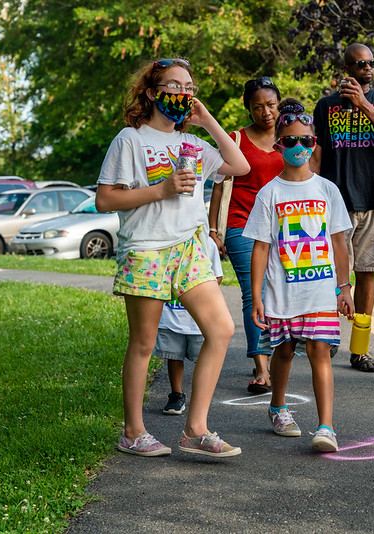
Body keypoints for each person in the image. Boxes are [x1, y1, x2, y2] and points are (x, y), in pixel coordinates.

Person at [96, 58, 250, 457]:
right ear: (151, 92)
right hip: (146, 249)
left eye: (188, 87)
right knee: (144, 343)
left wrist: (207, 121)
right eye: (173, 85)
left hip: (188, 248)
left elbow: (239, 165)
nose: (183, 93)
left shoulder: (193, 144)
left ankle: (195, 430)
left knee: (221, 329)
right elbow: (105, 199)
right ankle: (133, 432)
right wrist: (160, 190)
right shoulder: (130, 140)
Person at [245, 98, 354, 453]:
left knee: (320, 350)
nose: (298, 147)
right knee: (286, 349)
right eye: (290, 140)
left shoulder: (327, 190)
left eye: (306, 141)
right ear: (279, 145)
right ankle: (277, 406)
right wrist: (257, 296)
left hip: (320, 291)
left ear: (314, 143)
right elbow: (260, 248)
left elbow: (339, 242)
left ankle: (326, 427)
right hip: (283, 292)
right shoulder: (269, 193)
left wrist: (344, 287)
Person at [311, 43, 374, 373]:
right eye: (359, 64)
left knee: (367, 274)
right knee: (333, 276)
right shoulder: (325, 106)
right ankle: (328, 337)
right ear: (347, 69)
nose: (367, 68)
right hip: (333, 203)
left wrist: (364, 104)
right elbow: (317, 154)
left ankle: (360, 349)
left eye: (371, 62)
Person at [208, 77, 283, 394]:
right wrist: (214, 229)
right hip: (242, 224)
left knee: (278, 293)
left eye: (271, 105)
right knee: (255, 294)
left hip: (282, 228)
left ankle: (279, 355)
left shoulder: (292, 140)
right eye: (257, 107)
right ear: (248, 108)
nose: (265, 112)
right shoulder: (235, 139)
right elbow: (219, 184)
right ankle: (262, 367)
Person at [155, 236, 223, 415]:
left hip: (197, 317)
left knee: (203, 356)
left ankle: (201, 398)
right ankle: (176, 394)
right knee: (174, 354)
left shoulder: (207, 243)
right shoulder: (166, 239)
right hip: (171, 313)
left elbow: (217, 276)